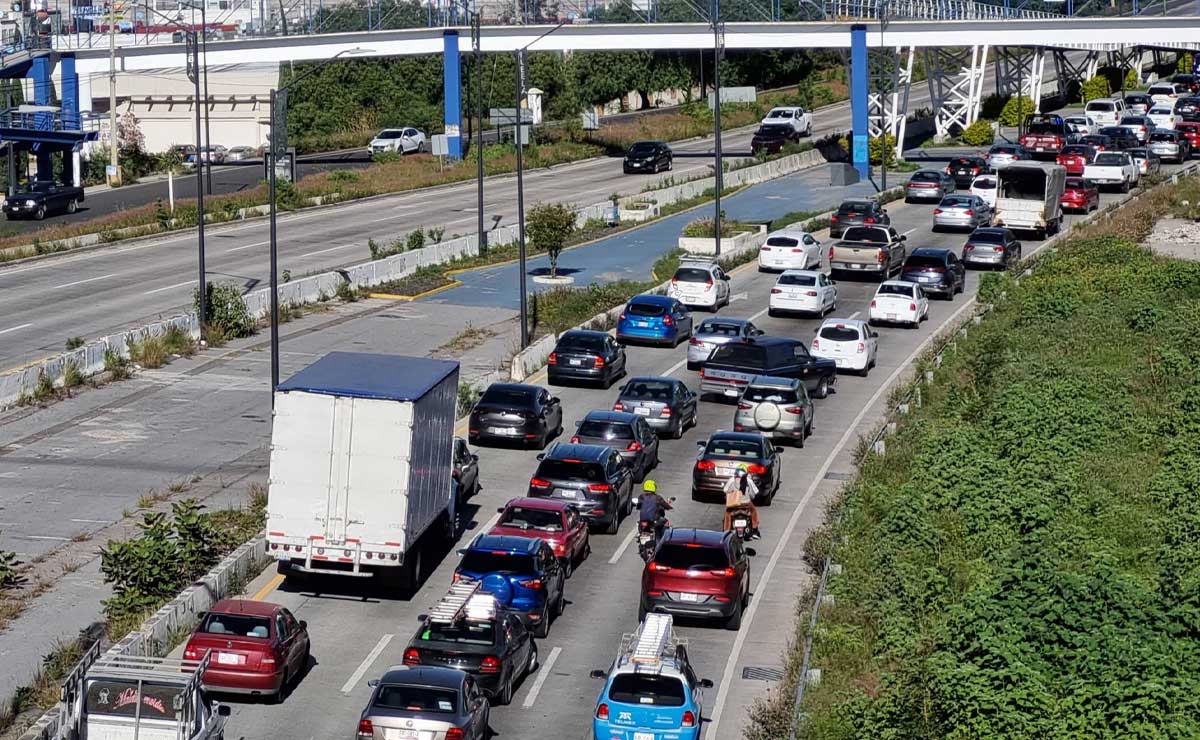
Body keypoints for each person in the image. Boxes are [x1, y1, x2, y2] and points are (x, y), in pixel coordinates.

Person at [723, 469, 761, 539]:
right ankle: (755, 530)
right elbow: (753, 493)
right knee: (753, 511)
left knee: (728, 513)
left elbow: (726, 491)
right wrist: (750, 497)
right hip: (746, 503)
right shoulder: (749, 481)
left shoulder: (731, 480)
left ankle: (726, 532)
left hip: (734, 504)